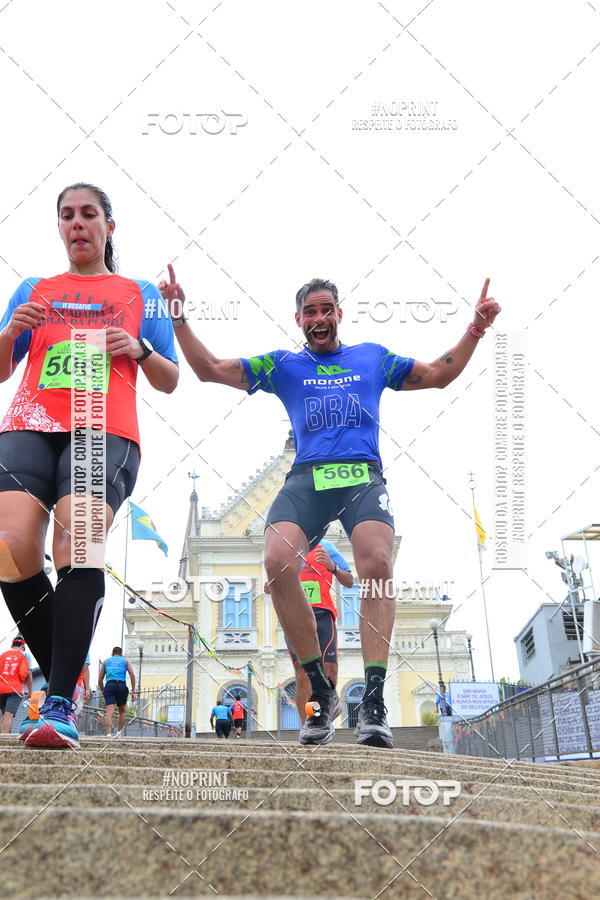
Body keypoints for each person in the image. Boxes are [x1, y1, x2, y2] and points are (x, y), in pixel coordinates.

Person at [160, 268, 500, 747]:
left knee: (377, 562)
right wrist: (177, 316)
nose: (319, 319)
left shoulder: (372, 358)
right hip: (308, 479)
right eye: (309, 312)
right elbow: (209, 368)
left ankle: (375, 700)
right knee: (277, 564)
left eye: (326, 310)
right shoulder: (285, 366)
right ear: (298, 320)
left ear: (339, 314)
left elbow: (438, 374)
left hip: (362, 476)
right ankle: (320, 688)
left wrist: (475, 329)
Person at [0, 182, 178, 749]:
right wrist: (10, 332)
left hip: (102, 428)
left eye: (89, 215)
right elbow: (2, 370)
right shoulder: (35, 289)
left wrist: (139, 349)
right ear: (59, 227)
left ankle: (56, 703)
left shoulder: (139, 293)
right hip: (29, 424)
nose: (78, 223)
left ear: (109, 227)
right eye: (67, 216)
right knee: (9, 545)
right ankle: (67, 678)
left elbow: (170, 378)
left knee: (76, 542)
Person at [265, 539, 353, 739]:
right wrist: (271, 586)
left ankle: (327, 709)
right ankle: (309, 725)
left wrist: (333, 567)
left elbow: (349, 580)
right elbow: (274, 583)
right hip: (295, 617)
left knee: (329, 669)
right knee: (302, 673)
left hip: (322, 614)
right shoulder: (286, 548)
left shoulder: (327, 547)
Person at [99, 646, 137, 737]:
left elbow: (100, 680)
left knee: (109, 711)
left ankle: (108, 734)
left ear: (112, 653)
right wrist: (133, 691)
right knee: (122, 711)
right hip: (121, 686)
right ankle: (119, 733)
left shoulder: (106, 662)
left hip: (110, 685)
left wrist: (103, 690)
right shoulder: (125, 661)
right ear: (121, 654)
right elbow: (132, 675)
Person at [0, 637, 32, 733]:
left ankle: (3, 735)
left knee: (4, 714)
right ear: (23, 647)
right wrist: (30, 692)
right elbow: (27, 674)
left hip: (1, 688)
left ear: (12, 646)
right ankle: (3, 742)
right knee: (8, 715)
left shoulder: (3, 655)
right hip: (15, 689)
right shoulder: (25, 655)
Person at [73, 652, 91, 722]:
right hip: (77, 685)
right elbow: (85, 669)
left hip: (61, 683)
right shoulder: (83, 645)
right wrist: (87, 689)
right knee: (74, 713)